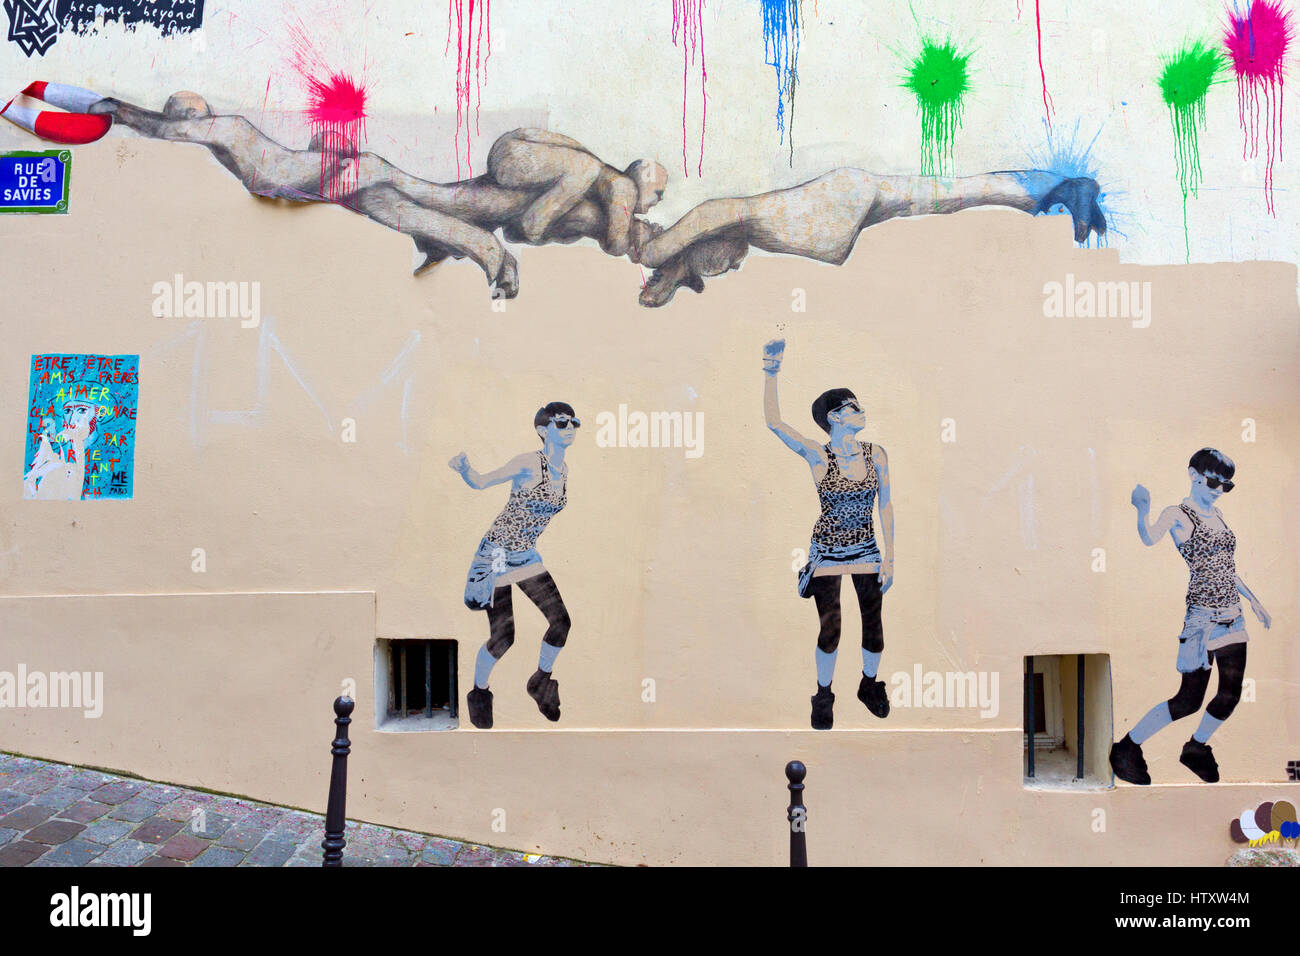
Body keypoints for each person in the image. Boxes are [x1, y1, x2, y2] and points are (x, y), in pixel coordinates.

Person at [68, 90, 667, 298]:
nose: (186, 118)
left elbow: (169, 129)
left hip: (342, 175)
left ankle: (484, 251)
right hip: (335, 185)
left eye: (186, 112)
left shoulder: (229, 130)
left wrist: (115, 110)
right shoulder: (234, 142)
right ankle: (488, 253)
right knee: (410, 212)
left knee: (416, 198)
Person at [638, 168, 1108, 306]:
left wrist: (647, 248)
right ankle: (1053, 192)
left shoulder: (723, 213)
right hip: (843, 203)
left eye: (712, 269)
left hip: (838, 204)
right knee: (952, 194)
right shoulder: (749, 226)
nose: (729, 269)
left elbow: (662, 244)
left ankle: (1056, 191)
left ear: (701, 246)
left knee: (948, 194)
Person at [1109, 448, 1272, 785]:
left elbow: (1227, 569)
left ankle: (1196, 748)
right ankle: (1127, 748)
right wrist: (1142, 510)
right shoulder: (1178, 514)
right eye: (1214, 481)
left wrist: (1254, 602)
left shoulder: (1220, 516)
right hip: (1202, 619)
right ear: (1194, 475)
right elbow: (1149, 537)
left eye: (1226, 485)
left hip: (1233, 617)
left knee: (1230, 694)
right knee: (1188, 700)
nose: (1218, 489)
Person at [762, 340, 895, 730]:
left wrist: (890, 558)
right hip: (828, 551)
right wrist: (771, 370)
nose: (861, 410)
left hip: (867, 549)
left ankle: (869, 685)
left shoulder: (877, 454)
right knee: (831, 626)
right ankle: (823, 694)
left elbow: (885, 505)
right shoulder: (820, 456)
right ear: (835, 417)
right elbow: (775, 424)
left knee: (873, 623)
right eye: (853, 406)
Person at [449, 403, 579, 728]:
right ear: (542, 430)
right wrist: (465, 469)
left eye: (574, 422)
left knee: (561, 622)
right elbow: (482, 482)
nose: (570, 427)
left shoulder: (563, 470)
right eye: (561, 422)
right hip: (496, 556)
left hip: (525, 556)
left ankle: (540, 682)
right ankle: (479, 693)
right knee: (504, 637)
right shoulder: (528, 463)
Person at [23, 395, 114, 500]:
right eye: (67, 411)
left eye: (82, 410)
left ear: (100, 414)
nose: (72, 420)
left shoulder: (111, 454)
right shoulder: (56, 453)